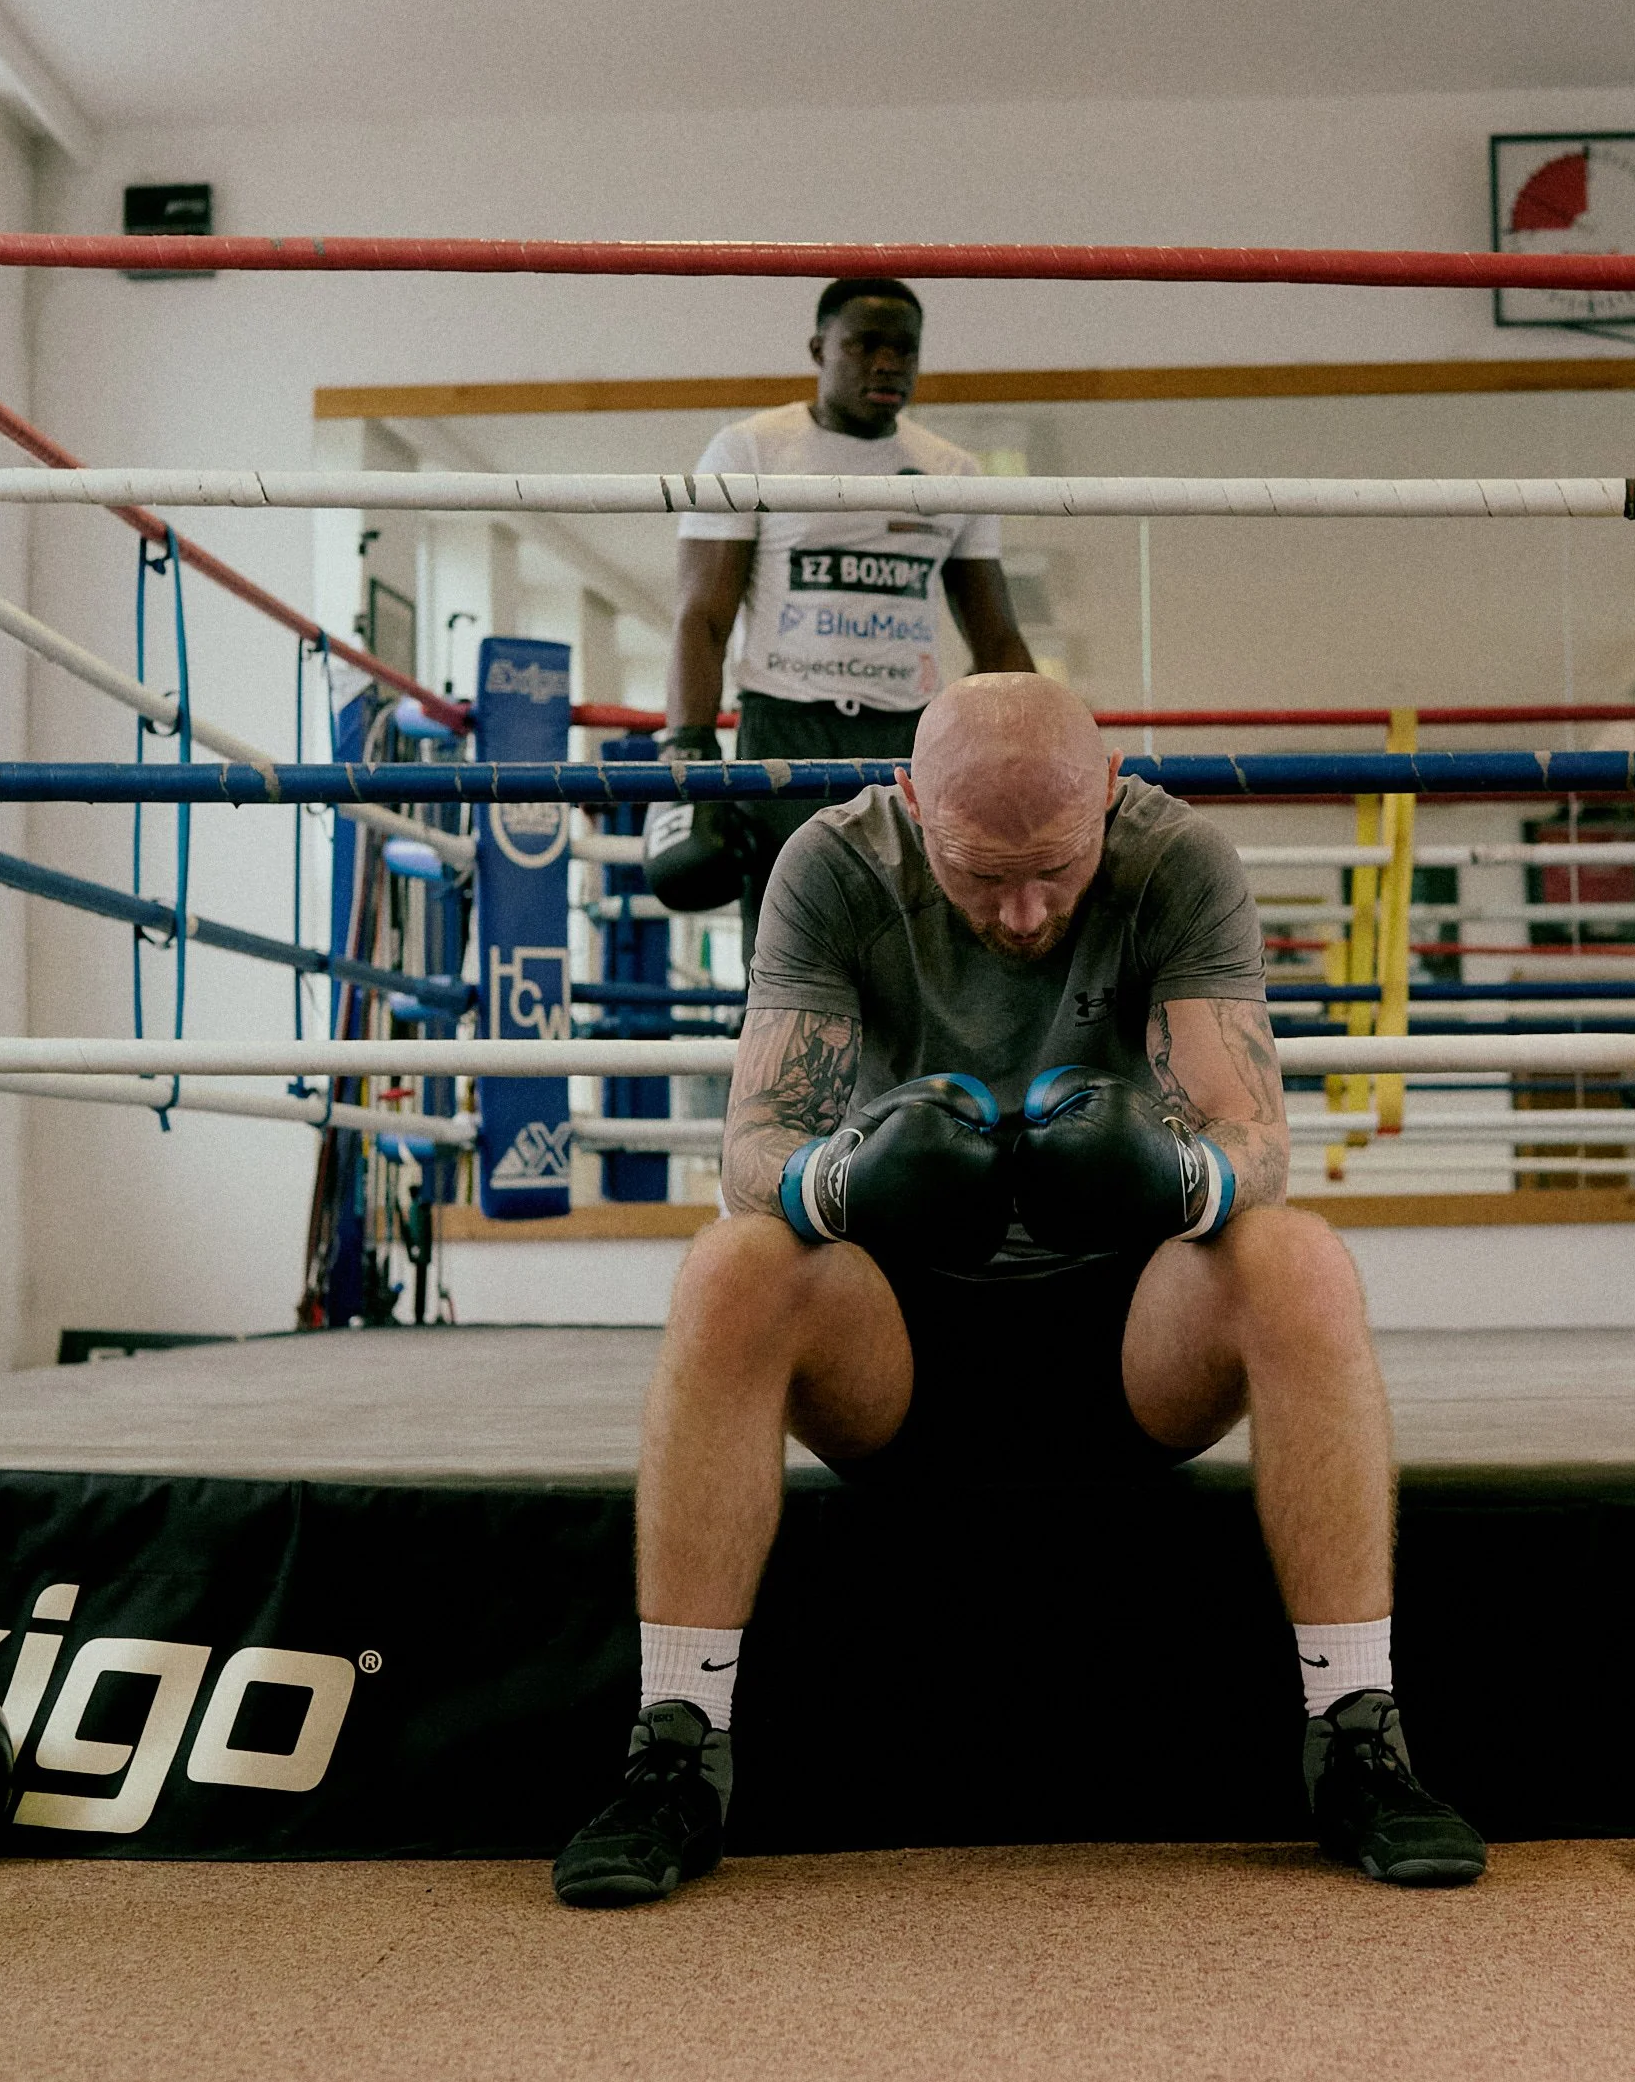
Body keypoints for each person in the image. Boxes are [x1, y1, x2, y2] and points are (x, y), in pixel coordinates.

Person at [556, 674, 1487, 1907]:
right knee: (730, 1262)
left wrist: (1172, 1173)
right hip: (898, 1355)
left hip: (1124, 1350)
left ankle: (1359, 1736)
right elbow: (752, 1143)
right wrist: (840, 1181)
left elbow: (1255, 1136)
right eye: (980, 872)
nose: (1023, 910)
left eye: (1053, 865)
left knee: (1296, 1255)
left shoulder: (1178, 863)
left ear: (1108, 792)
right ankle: (672, 1751)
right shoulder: (833, 866)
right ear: (909, 803)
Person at [645, 276, 1035, 951]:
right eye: (864, 346)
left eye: (905, 351)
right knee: (789, 942)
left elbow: (997, 635)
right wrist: (688, 752)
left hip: (909, 735)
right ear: (819, 349)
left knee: (916, 943)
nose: (888, 364)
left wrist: (1034, 757)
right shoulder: (751, 449)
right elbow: (700, 616)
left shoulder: (953, 471)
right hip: (785, 725)